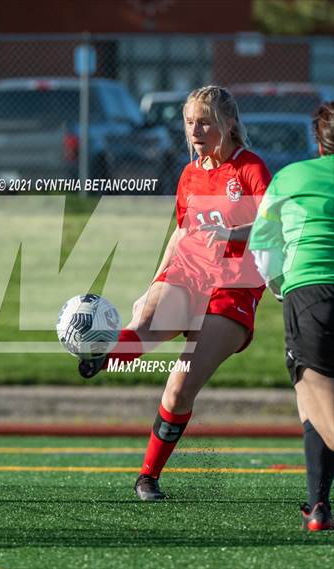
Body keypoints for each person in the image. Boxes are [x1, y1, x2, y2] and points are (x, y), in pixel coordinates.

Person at [79, 85, 271, 500]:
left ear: (228, 124)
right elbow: (181, 233)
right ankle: (99, 353)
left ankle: (148, 476)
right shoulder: (189, 174)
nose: (195, 131)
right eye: (189, 122)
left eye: (204, 122)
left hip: (232, 287)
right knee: (143, 326)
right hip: (187, 273)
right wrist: (155, 282)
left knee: (180, 386)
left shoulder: (250, 168)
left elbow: (272, 226)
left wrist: (233, 233)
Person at [250, 102, 334, 531]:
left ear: (318, 142)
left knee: (314, 395)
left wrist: (281, 285)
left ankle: (319, 507)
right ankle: (318, 506)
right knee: (316, 403)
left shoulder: (290, 177)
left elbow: (264, 245)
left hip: (311, 293)